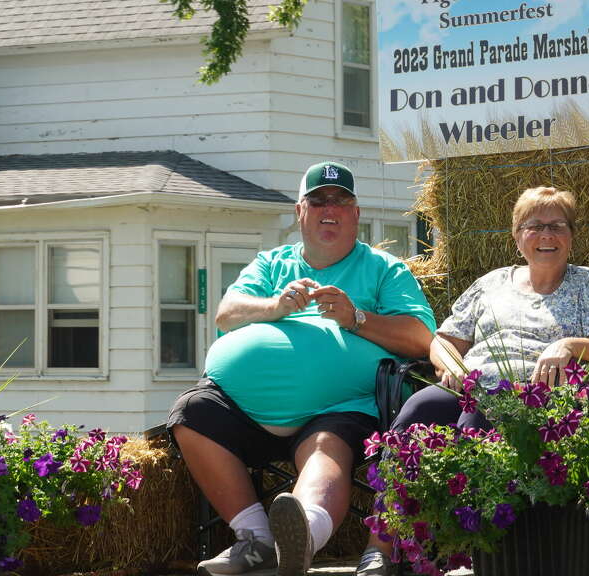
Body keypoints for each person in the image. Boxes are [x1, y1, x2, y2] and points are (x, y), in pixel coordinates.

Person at [167, 161, 435, 576]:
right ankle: (256, 540)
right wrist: (273, 307)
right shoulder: (271, 264)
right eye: (318, 200)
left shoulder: (383, 270)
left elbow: (421, 338)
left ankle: (302, 538)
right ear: (299, 212)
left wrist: (357, 318)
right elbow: (227, 314)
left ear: (356, 213)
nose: (330, 209)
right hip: (248, 409)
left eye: (341, 201)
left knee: (328, 444)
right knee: (191, 413)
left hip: (340, 406)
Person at [356, 186, 589, 576]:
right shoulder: (491, 284)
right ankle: (379, 547)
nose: (547, 236)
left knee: (475, 423)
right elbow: (442, 340)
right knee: (416, 412)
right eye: (534, 226)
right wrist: (450, 363)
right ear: (517, 235)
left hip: (543, 395)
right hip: (473, 384)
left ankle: (471, 554)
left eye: (557, 226)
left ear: (572, 234)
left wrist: (567, 345)